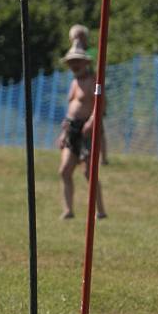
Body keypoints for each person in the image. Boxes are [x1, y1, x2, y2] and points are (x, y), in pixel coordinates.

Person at [57, 25, 107, 220]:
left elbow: (100, 105)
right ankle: (68, 210)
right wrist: (63, 132)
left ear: (85, 62)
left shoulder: (93, 80)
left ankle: (100, 211)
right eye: (72, 62)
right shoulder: (73, 82)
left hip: (88, 129)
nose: (74, 64)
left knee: (89, 173)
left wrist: (92, 122)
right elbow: (71, 110)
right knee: (65, 170)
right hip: (72, 128)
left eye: (78, 61)